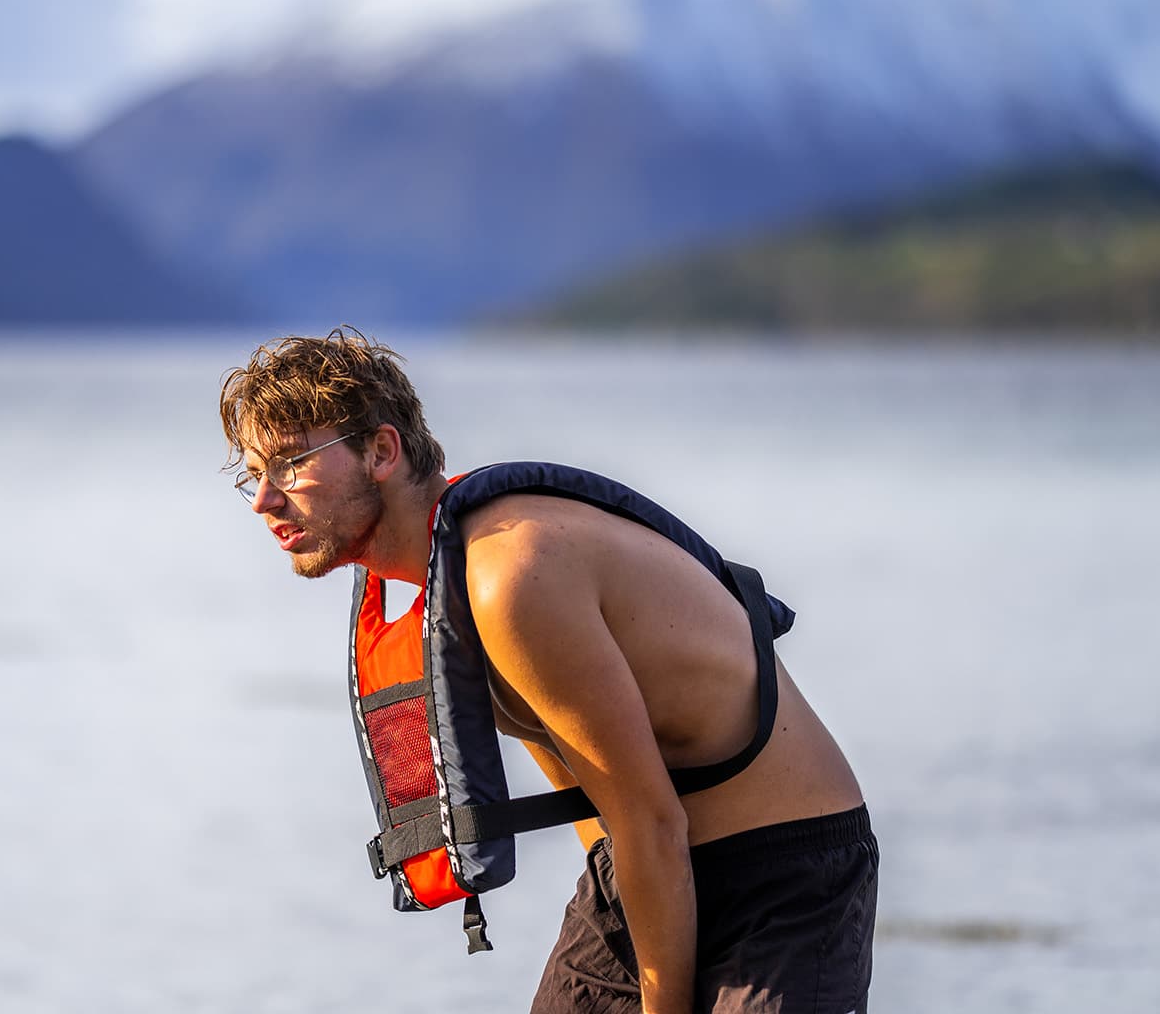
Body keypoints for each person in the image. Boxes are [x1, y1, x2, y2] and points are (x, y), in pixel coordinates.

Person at [219, 328, 878, 1014]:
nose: (264, 500)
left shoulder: (510, 575)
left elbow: (648, 821)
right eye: (252, 475)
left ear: (382, 451)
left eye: (290, 464)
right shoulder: (447, 588)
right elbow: (599, 808)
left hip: (785, 874)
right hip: (650, 863)